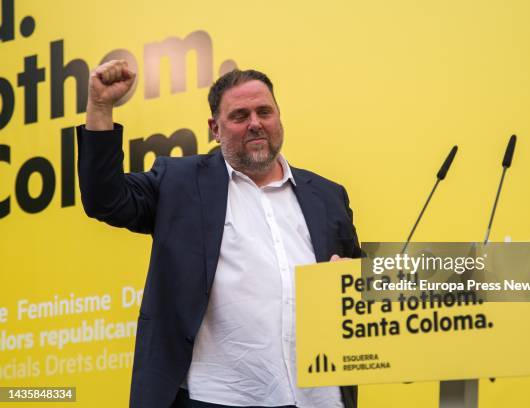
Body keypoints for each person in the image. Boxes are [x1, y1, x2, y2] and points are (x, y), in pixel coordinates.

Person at [78, 60, 361, 408]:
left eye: (264, 112)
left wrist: (350, 278)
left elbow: (359, 294)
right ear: (215, 128)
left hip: (319, 398)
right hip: (219, 396)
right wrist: (101, 107)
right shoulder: (179, 182)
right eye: (240, 116)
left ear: (279, 118)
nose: (256, 123)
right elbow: (105, 199)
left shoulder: (328, 196)